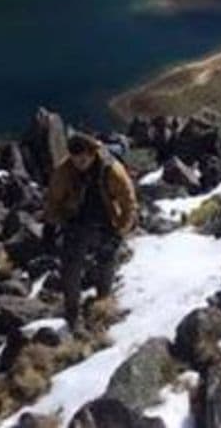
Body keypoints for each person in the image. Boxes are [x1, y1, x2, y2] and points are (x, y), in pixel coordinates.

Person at [44, 132, 138, 330]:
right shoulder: (64, 171)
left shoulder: (112, 170)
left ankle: (102, 306)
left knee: (106, 263)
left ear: (92, 153)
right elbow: (53, 200)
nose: (79, 162)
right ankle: (72, 316)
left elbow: (129, 203)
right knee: (70, 267)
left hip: (106, 222)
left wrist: (120, 233)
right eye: (75, 158)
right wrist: (50, 227)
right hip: (76, 222)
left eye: (84, 157)